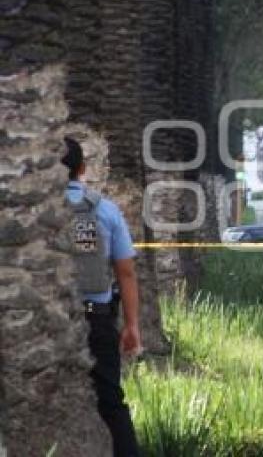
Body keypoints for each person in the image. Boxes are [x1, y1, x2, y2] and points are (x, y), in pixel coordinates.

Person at [61, 137, 141, 456]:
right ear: (82, 168)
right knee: (110, 400)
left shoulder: (26, 203)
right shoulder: (104, 210)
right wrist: (132, 325)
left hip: (38, 325)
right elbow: (126, 272)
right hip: (96, 317)